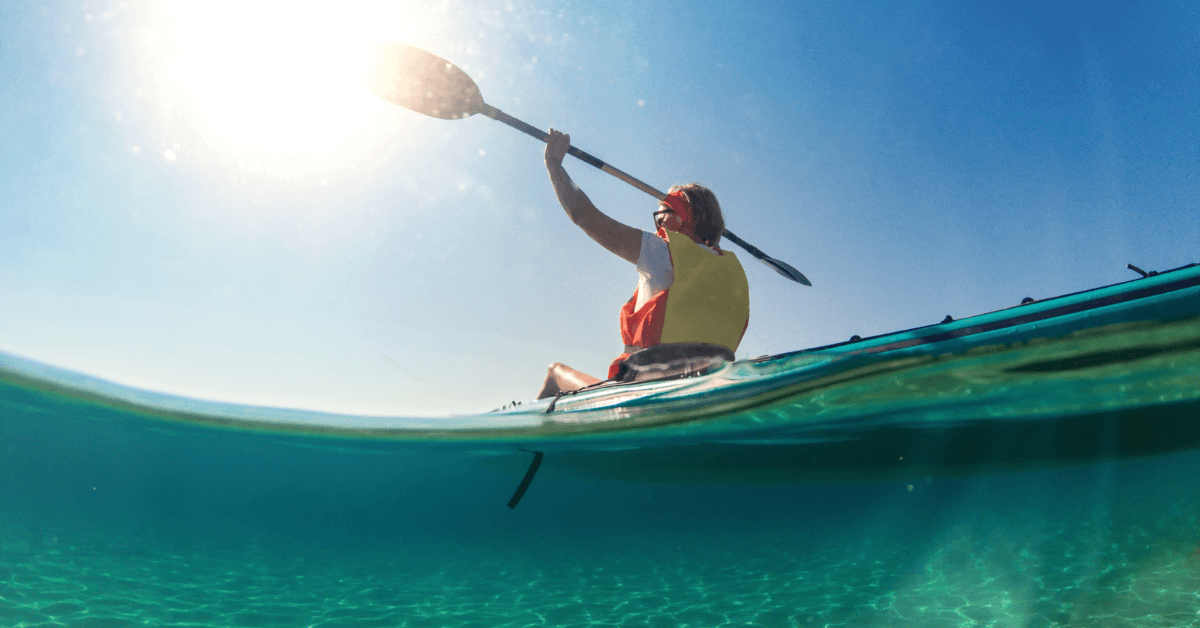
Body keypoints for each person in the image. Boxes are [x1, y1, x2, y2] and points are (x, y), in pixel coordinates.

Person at [536, 129, 749, 399]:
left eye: (663, 211)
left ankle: (522, 438)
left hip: (644, 393)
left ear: (682, 217)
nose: (658, 221)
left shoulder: (661, 252)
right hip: (706, 392)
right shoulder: (734, 275)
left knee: (555, 372)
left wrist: (554, 165)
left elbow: (583, 215)